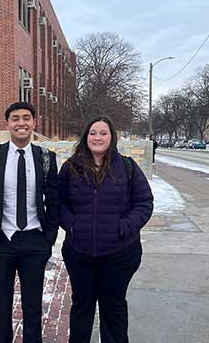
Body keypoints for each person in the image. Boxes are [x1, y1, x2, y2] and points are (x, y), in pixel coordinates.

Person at [58, 116, 154, 343]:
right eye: (93, 133)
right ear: (86, 137)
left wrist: (123, 227)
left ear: (112, 137)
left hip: (119, 254)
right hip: (79, 253)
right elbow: (57, 203)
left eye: (103, 133)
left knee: (114, 307)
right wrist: (72, 224)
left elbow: (144, 203)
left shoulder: (127, 167)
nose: (98, 137)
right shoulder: (71, 167)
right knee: (82, 305)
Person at [0, 102, 59, 343]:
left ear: (34, 123)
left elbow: (54, 200)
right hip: (2, 240)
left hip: (35, 240)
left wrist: (49, 237)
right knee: (1, 306)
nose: (21, 122)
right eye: (15, 118)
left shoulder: (45, 157)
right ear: (7, 124)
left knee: (32, 307)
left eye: (26, 118)